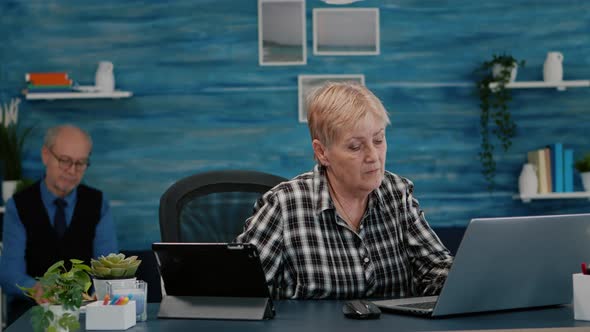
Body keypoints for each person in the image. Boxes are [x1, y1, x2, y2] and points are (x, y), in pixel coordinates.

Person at [236, 82, 453, 299]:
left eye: (378, 140)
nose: (373, 156)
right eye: (355, 147)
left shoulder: (397, 193)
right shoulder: (284, 205)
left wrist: (460, 277)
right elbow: (237, 290)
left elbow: (435, 268)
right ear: (322, 153)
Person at [0, 124, 118, 320]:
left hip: (86, 312)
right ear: (46, 155)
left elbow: (107, 267)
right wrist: (37, 288)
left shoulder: (98, 203)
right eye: (65, 161)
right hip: (32, 313)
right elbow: (9, 274)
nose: (72, 170)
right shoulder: (19, 205)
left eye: (80, 163)